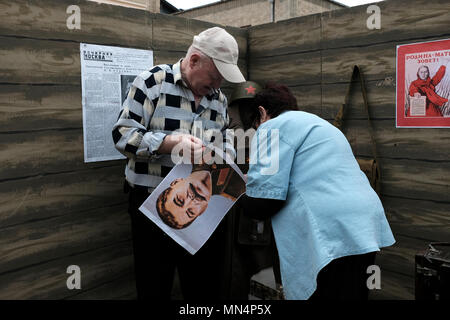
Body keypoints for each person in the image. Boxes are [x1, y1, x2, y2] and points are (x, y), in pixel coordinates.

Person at [112, 27, 245, 300]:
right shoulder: (151, 83)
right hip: (150, 207)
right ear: (194, 60)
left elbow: (226, 136)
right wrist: (168, 143)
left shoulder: (218, 99)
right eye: (215, 76)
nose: (218, 85)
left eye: (222, 80)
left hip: (203, 213)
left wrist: (227, 155)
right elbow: (122, 135)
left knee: (202, 286)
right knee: (153, 286)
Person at [240, 83, 396, 300]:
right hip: (363, 225)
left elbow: (265, 203)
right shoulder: (318, 124)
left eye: (255, 125)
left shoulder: (271, 127)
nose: (257, 130)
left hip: (332, 228)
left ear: (262, 112)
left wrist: (236, 191)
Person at [156, 163, 245, 229]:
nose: (191, 201)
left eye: (179, 200)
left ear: (176, 182)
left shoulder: (189, 149)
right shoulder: (240, 189)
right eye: (191, 212)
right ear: (203, 210)